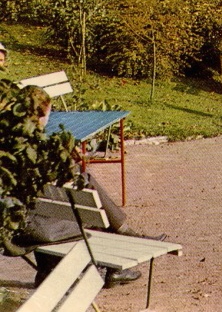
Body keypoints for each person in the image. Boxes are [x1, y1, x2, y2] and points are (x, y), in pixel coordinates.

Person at [13, 86, 146, 288]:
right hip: (26, 228)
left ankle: (49, 271)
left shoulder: (13, 140)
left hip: (17, 222)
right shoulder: (29, 146)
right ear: (41, 114)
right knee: (90, 216)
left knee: (76, 204)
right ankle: (113, 264)